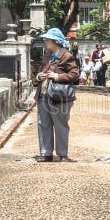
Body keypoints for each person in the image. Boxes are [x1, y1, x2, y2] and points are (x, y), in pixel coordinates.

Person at [35, 28, 79, 162]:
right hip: (43, 94)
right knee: (43, 124)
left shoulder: (66, 55)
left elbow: (75, 74)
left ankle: (62, 154)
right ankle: (46, 153)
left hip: (59, 96)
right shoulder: (47, 55)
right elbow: (39, 71)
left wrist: (57, 76)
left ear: (55, 41)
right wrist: (39, 76)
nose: (45, 41)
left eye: (47, 39)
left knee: (60, 125)